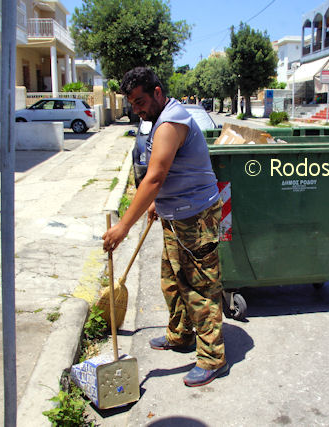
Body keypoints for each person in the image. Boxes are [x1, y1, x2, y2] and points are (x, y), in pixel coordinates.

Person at [102, 67, 228, 387]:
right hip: (176, 214)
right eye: (132, 102)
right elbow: (169, 171)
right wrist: (159, 202)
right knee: (172, 281)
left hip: (196, 217)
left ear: (158, 92)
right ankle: (181, 335)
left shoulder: (172, 121)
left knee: (200, 287)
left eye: (141, 100)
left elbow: (155, 177)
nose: (137, 108)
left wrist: (123, 228)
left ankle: (213, 357)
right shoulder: (157, 121)